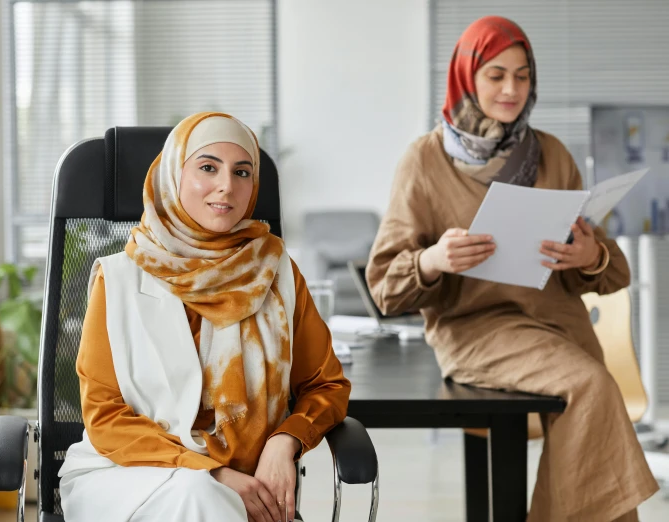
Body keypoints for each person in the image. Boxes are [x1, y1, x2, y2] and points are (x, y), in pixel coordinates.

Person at [366, 15, 658, 521]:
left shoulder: (551, 153)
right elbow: (385, 287)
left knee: (589, 400)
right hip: (477, 331)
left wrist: (589, 256)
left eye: (523, 75)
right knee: (590, 387)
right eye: (496, 74)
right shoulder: (424, 160)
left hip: (560, 330)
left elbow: (613, 270)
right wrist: (434, 260)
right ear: (466, 76)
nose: (512, 89)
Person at [58, 112, 350, 522]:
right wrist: (211, 472)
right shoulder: (118, 279)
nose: (226, 186)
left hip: (244, 485)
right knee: (199, 495)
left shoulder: (277, 271)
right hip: (125, 475)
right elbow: (106, 415)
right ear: (174, 175)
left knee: (204, 499)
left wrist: (286, 440)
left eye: (242, 172)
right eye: (207, 167)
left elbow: (325, 384)